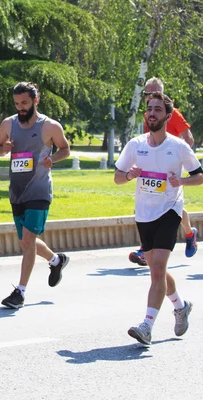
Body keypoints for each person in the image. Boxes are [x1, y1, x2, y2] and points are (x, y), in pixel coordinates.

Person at [115, 92, 201, 345]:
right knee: (156, 270)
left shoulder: (177, 147)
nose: (152, 113)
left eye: (158, 110)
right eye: (149, 109)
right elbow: (118, 177)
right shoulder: (135, 145)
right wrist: (129, 175)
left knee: (158, 268)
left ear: (168, 116)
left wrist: (182, 181)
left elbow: (199, 175)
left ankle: (147, 326)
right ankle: (181, 306)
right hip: (144, 213)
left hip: (169, 209)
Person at [0, 82, 71, 309]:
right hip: (17, 191)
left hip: (39, 190)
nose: (21, 108)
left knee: (27, 241)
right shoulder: (8, 123)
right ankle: (56, 260)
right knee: (27, 242)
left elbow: (65, 149)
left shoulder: (50, 126)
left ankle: (20, 292)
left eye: (25, 103)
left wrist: (52, 159)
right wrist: (3, 148)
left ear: (36, 100)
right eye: (17, 104)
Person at [129, 77, 198, 266]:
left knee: (172, 206)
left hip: (171, 170)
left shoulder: (171, 112)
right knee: (148, 201)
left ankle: (185, 235)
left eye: (153, 93)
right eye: (146, 94)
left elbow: (188, 138)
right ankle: (186, 234)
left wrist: (182, 161)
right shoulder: (149, 113)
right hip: (152, 171)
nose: (149, 97)